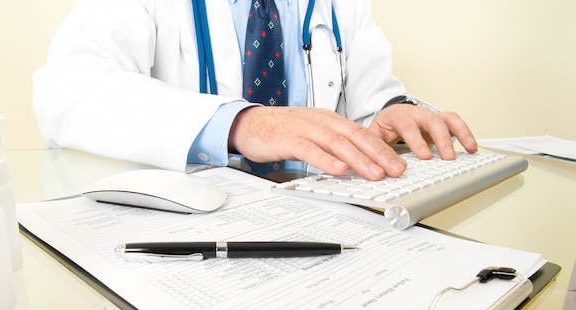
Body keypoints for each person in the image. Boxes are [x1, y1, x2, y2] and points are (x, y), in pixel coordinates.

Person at [33, 0, 477, 181]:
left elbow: (371, 98)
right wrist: (240, 122)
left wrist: (395, 109)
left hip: (327, 233)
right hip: (187, 247)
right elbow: (66, 91)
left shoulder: (340, 4)